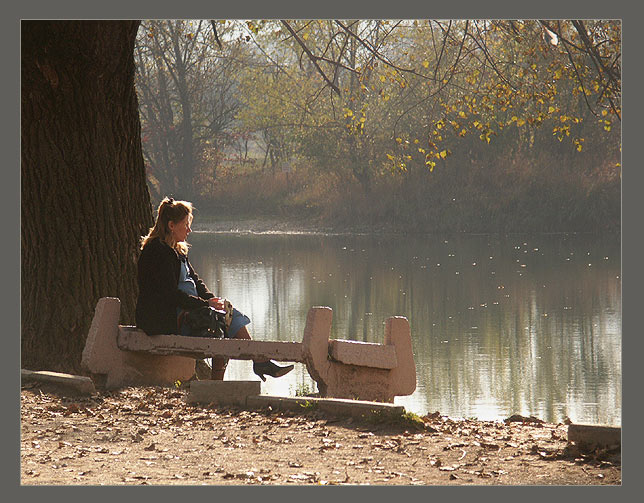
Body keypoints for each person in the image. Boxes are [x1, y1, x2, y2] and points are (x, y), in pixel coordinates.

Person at [135, 196, 294, 381]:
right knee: (220, 321)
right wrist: (205, 304)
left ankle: (246, 369)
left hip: (186, 311)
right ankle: (252, 365)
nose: (189, 229)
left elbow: (196, 281)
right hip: (165, 318)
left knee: (223, 313)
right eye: (185, 224)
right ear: (171, 225)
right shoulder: (157, 251)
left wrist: (213, 301)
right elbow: (169, 295)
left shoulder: (177, 251)